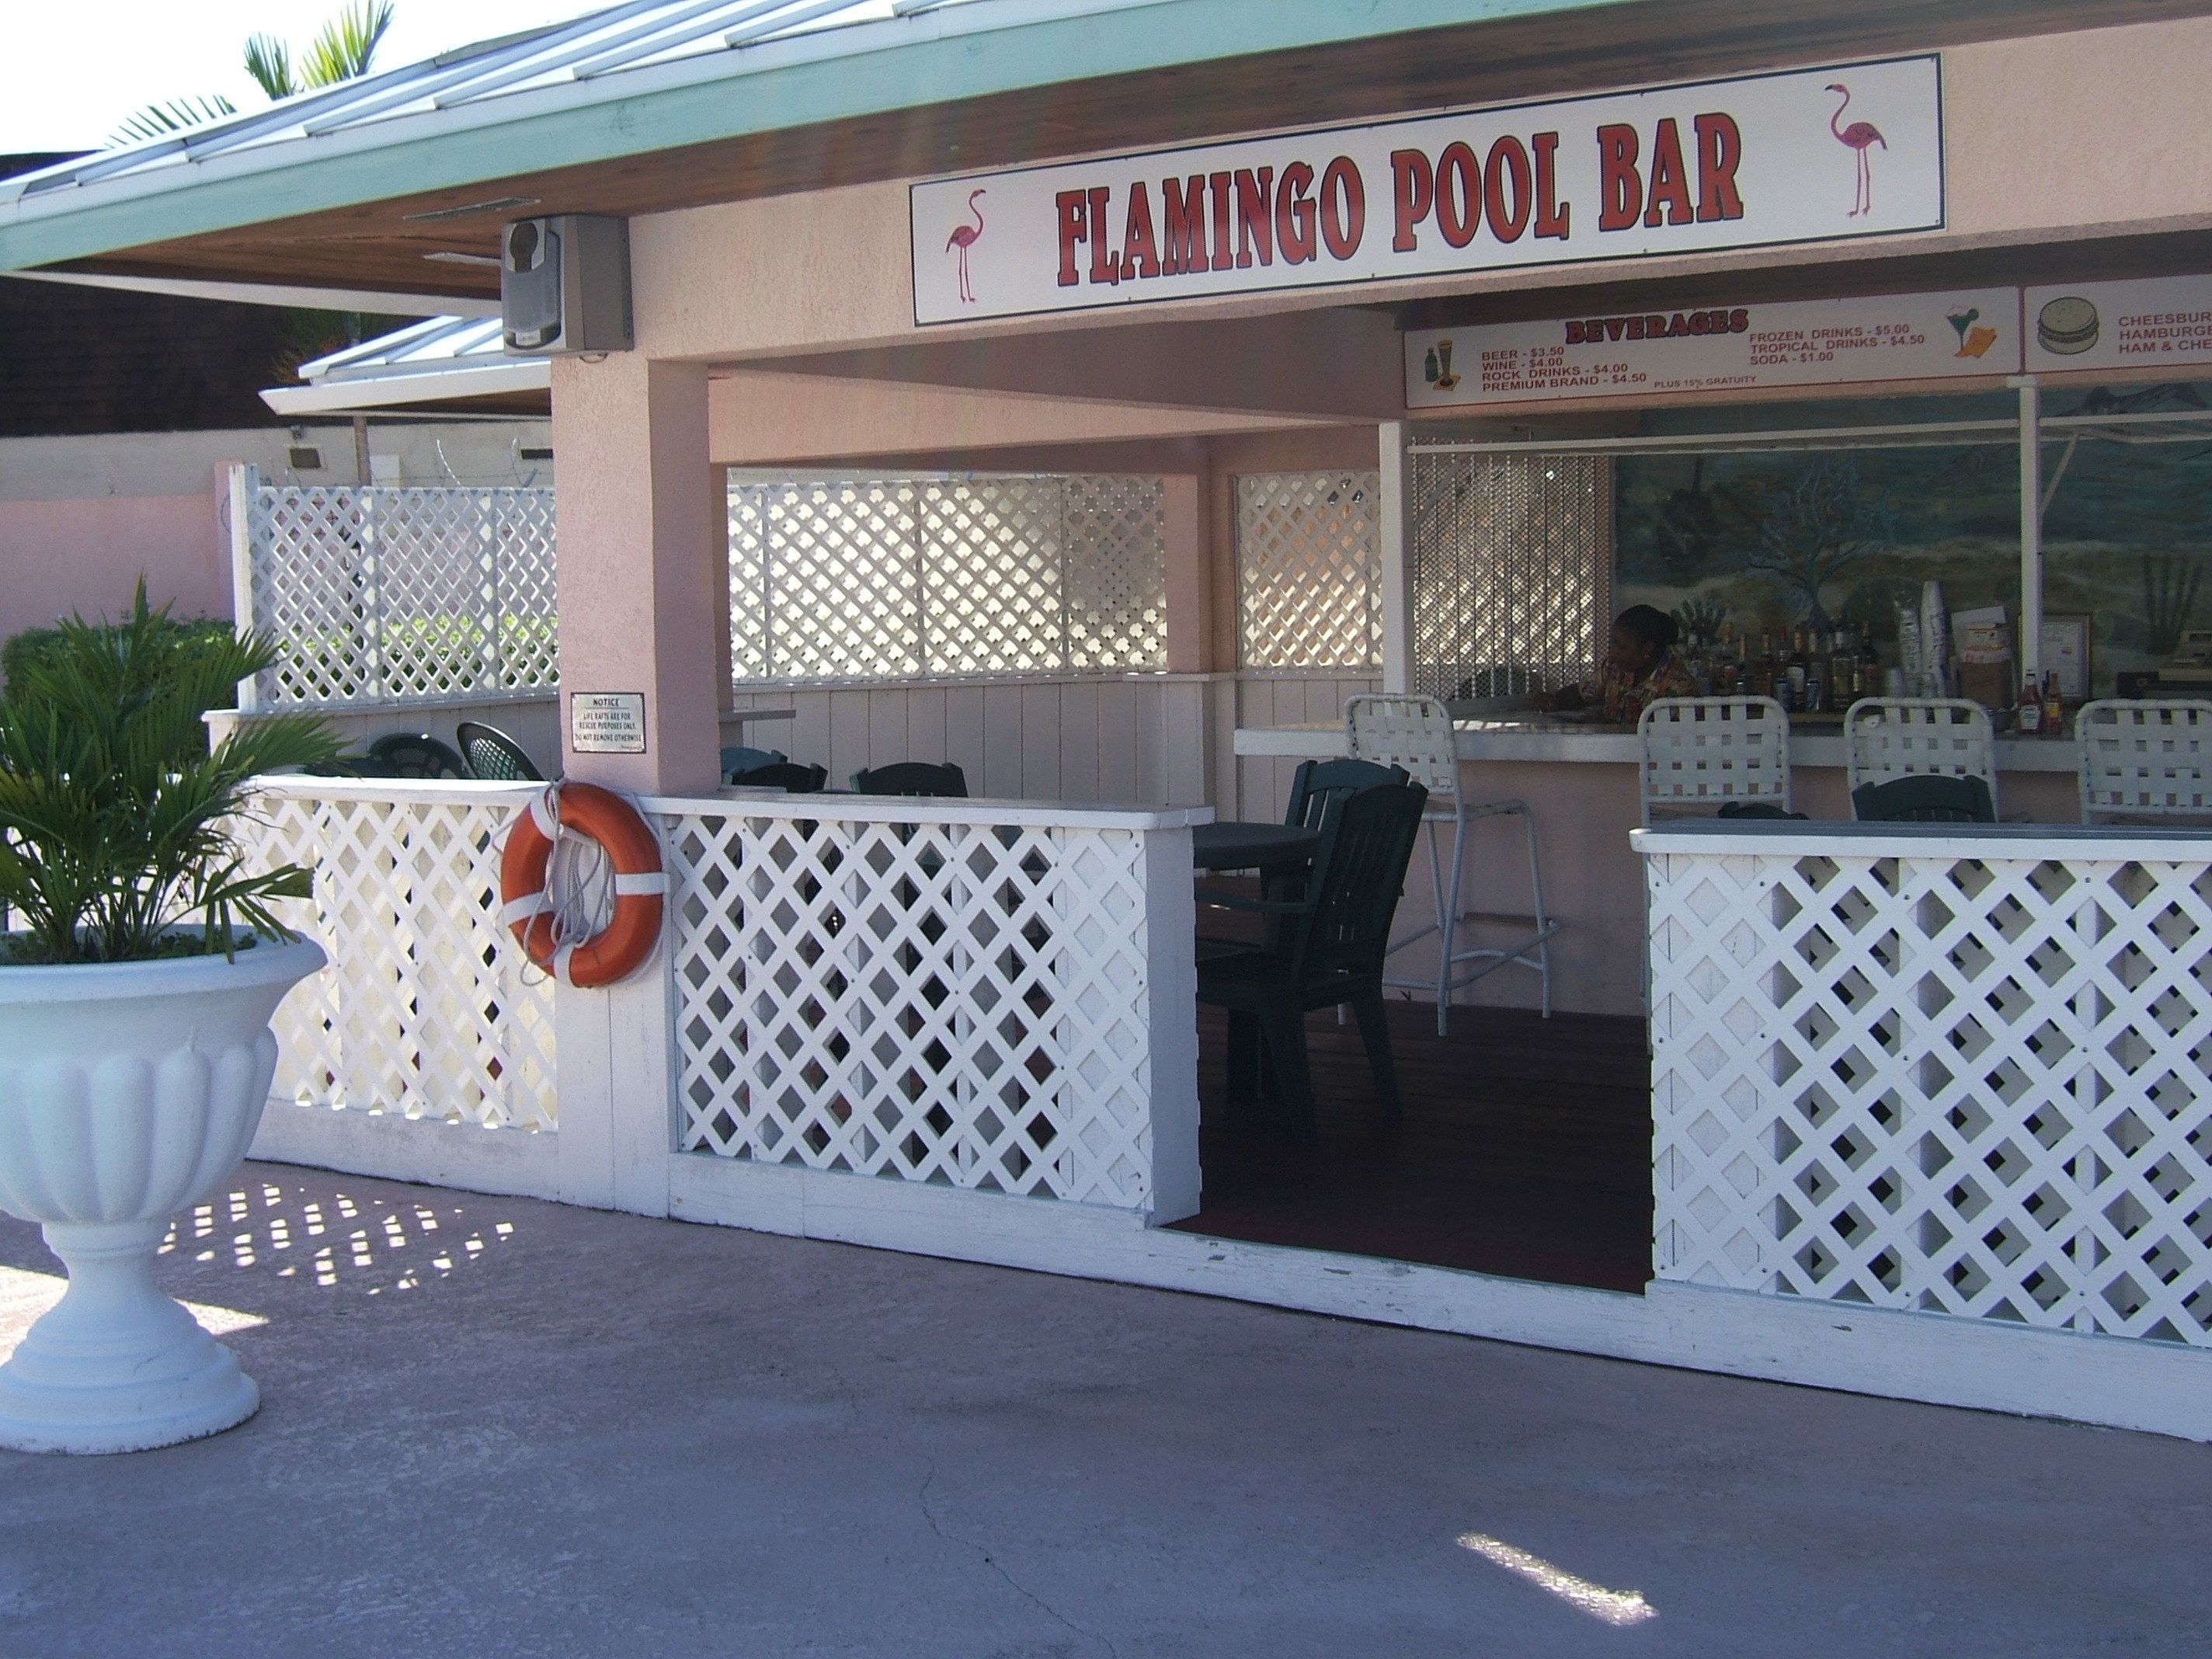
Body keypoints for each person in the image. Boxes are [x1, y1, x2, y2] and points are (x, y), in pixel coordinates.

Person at [1546, 605, 1699, 724]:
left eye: (1622, 647)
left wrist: (1607, 726)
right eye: (1614, 645)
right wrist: (1555, 701)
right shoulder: (1615, 667)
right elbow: (1583, 694)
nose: (1614, 653)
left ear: (1647, 649)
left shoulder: (1679, 687)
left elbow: (1670, 740)